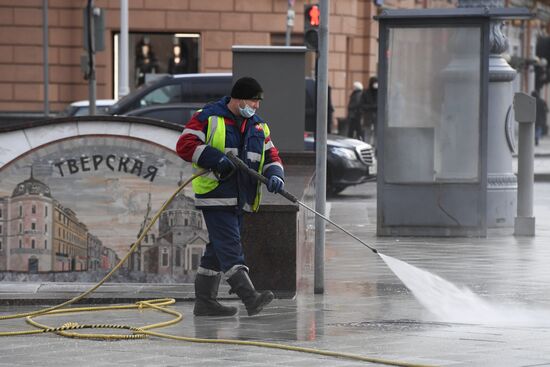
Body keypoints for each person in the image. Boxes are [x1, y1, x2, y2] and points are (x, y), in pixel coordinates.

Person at [176, 77, 285, 317]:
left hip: (241, 198)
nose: (256, 106)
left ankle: (205, 302)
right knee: (230, 247)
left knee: (216, 250)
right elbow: (185, 144)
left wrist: (276, 175)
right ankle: (250, 298)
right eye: (253, 101)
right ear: (239, 99)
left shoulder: (259, 127)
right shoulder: (208, 117)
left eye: (258, 102)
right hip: (216, 194)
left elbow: (272, 156)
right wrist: (216, 160)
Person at [361, 76, 378, 146]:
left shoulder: (380, 93)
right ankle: (367, 146)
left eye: (376, 82)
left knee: (377, 134)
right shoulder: (366, 93)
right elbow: (362, 105)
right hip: (368, 117)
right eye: (374, 82)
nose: (375, 84)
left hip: (377, 117)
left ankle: (377, 148)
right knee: (367, 133)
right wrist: (372, 107)